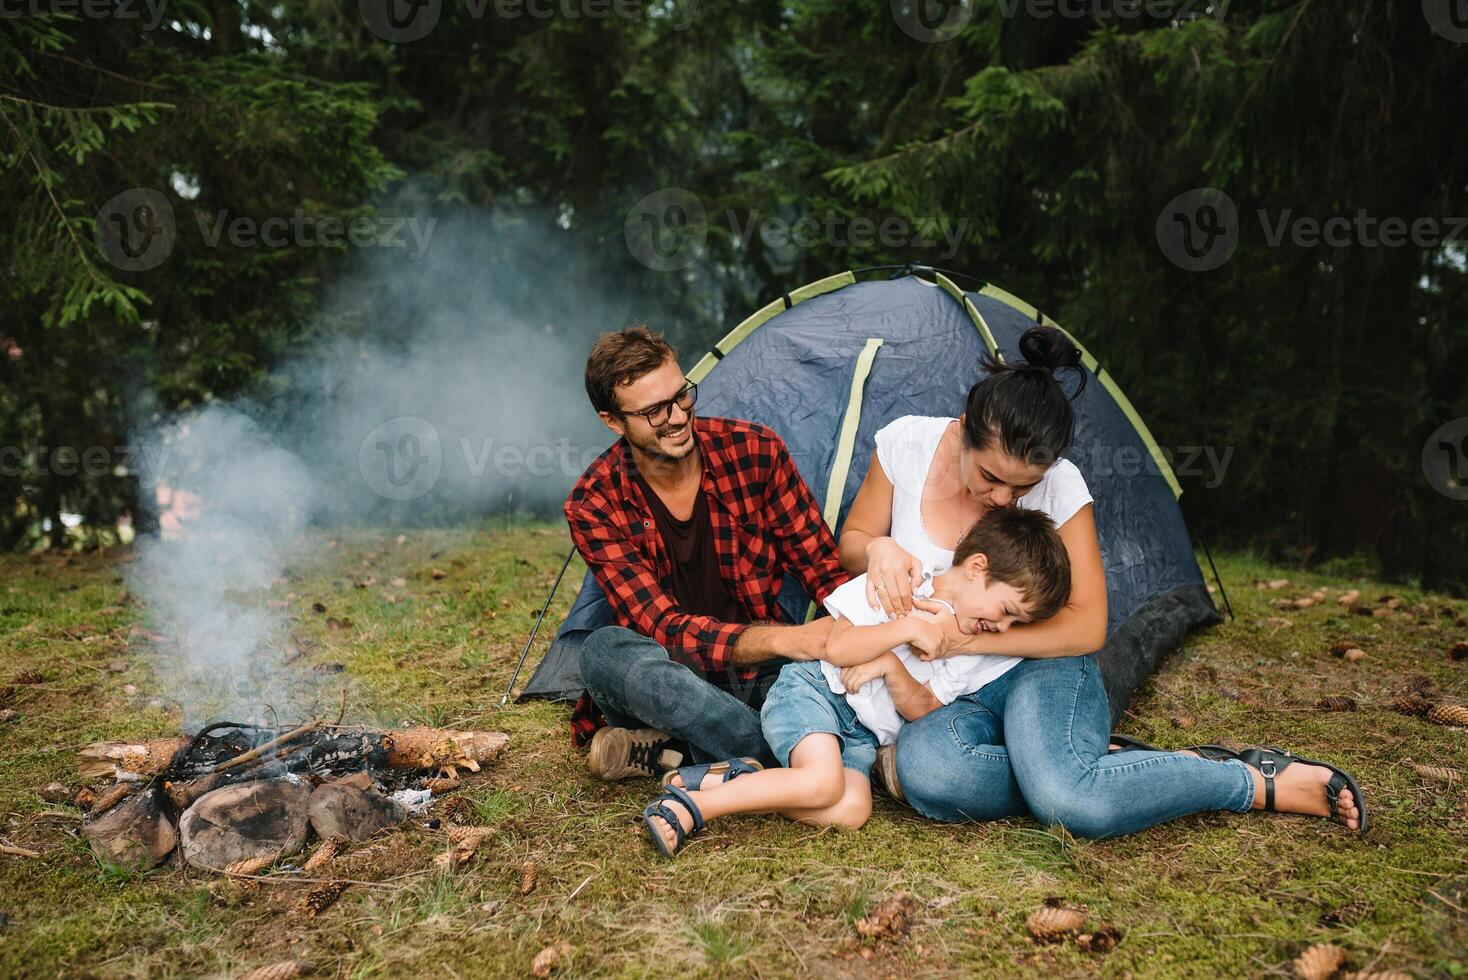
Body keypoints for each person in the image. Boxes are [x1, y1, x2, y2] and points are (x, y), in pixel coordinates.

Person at [838, 325, 1366, 838]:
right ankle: (1105, 766)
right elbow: (853, 540)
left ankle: (1246, 780)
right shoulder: (907, 445)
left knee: (1070, 801)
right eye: (992, 478)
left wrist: (968, 638)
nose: (1003, 499)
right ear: (962, 429)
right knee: (930, 773)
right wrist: (879, 547)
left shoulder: (1063, 487)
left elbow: (1088, 626)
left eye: (1023, 488)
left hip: (1034, 669)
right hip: (951, 691)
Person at [640, 506, 1073, 858]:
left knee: (851, 807)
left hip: (861, 734)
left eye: (1017, 623)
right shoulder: (899, 583)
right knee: (825, 784)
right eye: (1008, 610)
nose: (1005, 628)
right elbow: (837, 648)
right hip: (817, 692)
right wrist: (904, 631)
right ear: (978, 568)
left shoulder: (970, 645)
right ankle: (694, 807)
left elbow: (924, 709)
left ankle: (744, 781)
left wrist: (890, 666)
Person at [565, 325, 847, 782]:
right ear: (613, 421)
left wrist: (859, 633)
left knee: (819, 670)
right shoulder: (595, 503)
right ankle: (788, 753)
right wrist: (786, 638)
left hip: (762, 675)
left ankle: (678, 751)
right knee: (601, 653)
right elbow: (665, 631)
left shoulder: (755, 451)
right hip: (672, 679)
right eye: (654, 411)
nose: (677, 417)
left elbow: (824, 568)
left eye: (682, 396)